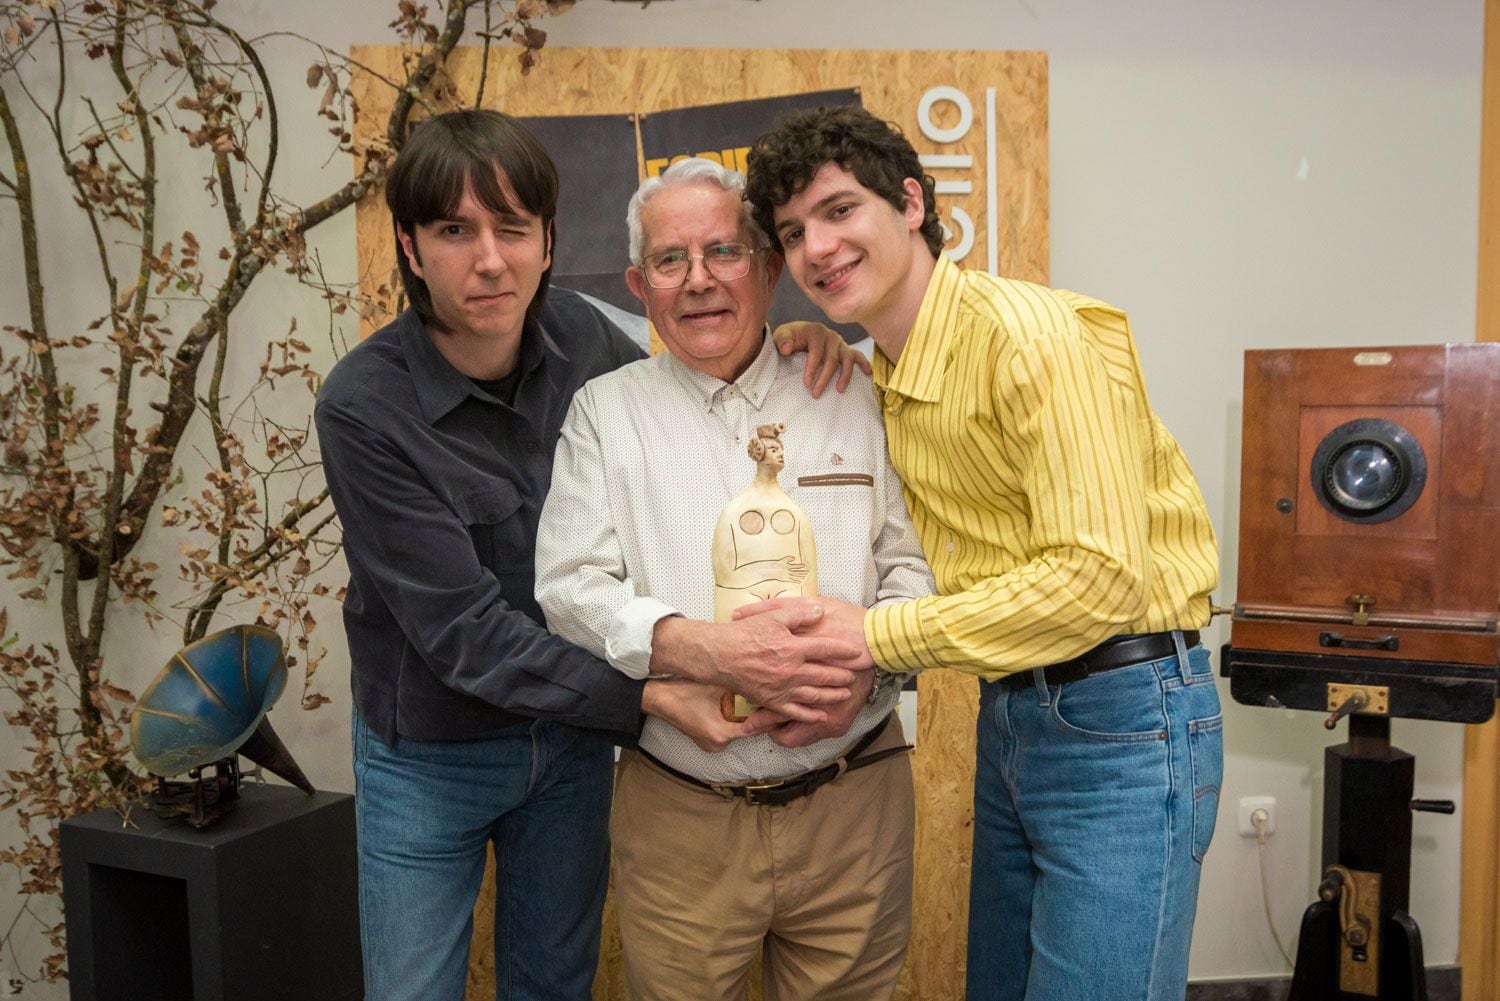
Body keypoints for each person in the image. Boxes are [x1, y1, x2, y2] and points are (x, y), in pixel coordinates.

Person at [314, 110, 867, 1001]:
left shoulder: (589, 341)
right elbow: (462, 632)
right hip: (433, 751)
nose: (488, 260)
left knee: (554, 985)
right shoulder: (364, 408)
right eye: (454, 231)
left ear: (546, 243)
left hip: (569, 745)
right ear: (412, 251)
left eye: (512, 229)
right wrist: (650, 695)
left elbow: (704, 387)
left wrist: (800, 350)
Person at [742, 107, 1224, 1001]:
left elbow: (1099, 576)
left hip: (1123, 715)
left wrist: (875, 635)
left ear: (913, 203)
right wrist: (827, 348)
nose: (818, 247)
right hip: (1014, 715)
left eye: (841, 211)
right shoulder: (881, 364)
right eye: (794, 232)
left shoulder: (1031, 337)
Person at [534, 157, 935, 1001]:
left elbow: (917, 567)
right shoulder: (604, 414)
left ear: (765, 265)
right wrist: (709, 651)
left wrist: (872, 667)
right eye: (671, 261)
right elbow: (570, 585)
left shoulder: (854, 389)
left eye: (723, 251)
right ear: (640, 285)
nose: (699, 280)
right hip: (682, 820)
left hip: (854, 799)